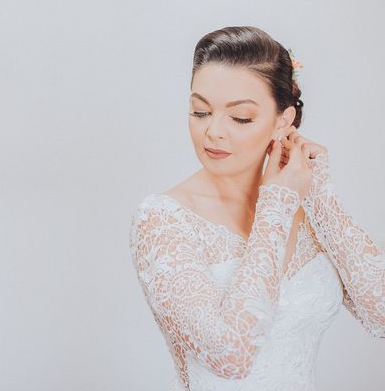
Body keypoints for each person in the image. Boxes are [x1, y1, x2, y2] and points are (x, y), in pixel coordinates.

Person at [128, 26, 385, 391]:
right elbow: (231, 356)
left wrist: (317, 195)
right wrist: (276, 206)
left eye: (240, 118)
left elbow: (381, 313)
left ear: (283, 120)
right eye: (200, 111)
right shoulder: (163, 219)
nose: (213, 131)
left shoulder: (307, 208)